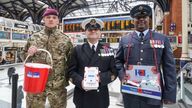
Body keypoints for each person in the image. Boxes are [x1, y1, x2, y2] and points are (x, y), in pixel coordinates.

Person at [115, 4, 177, 108]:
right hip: (130, 92)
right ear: (133, 20)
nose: (141, 20)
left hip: (153, 93)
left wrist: (170, 94)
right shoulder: (125, 40)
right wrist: (122, 76)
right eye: (138, 18)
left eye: (144, 17)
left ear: (149, 19)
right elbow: (117, 61)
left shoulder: (162, 39)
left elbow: (169, 67)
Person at [21, 8, 73, 108]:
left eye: (54, 17)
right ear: (43, 20)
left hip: (57, 86)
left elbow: (71, 61)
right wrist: (29, 53)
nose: (51, 19)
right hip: (35, 82)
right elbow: (23, 56)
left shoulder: (65, 40)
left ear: (58, 21)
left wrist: (67, 79)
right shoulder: (34, 37)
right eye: (48, 17)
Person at [67, 18, 118, 108]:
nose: (93, 31)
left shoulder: (107, 50)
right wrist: (81, 82)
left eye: (96, 29)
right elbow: (70, 72)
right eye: (90, 29)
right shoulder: (77, 50)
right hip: (82, 95)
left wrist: (101, 78)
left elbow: (114, 72)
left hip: (101, 96)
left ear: (100, 33)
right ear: (85, 32)